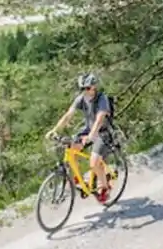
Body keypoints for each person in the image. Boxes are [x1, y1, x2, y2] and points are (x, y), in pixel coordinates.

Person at [46, 72, 114, 202]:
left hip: (102, 132)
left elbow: (100, 119)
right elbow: (68, 115)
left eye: (87, 88)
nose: (85, 91)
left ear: (94, 87)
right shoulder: (81, 98)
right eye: (82, 89)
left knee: (94, 163)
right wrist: (54, 130)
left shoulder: (102, 98)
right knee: (71, 150)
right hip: (88, 130)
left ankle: (105, 188)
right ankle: (80, 179)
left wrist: (91, 136)